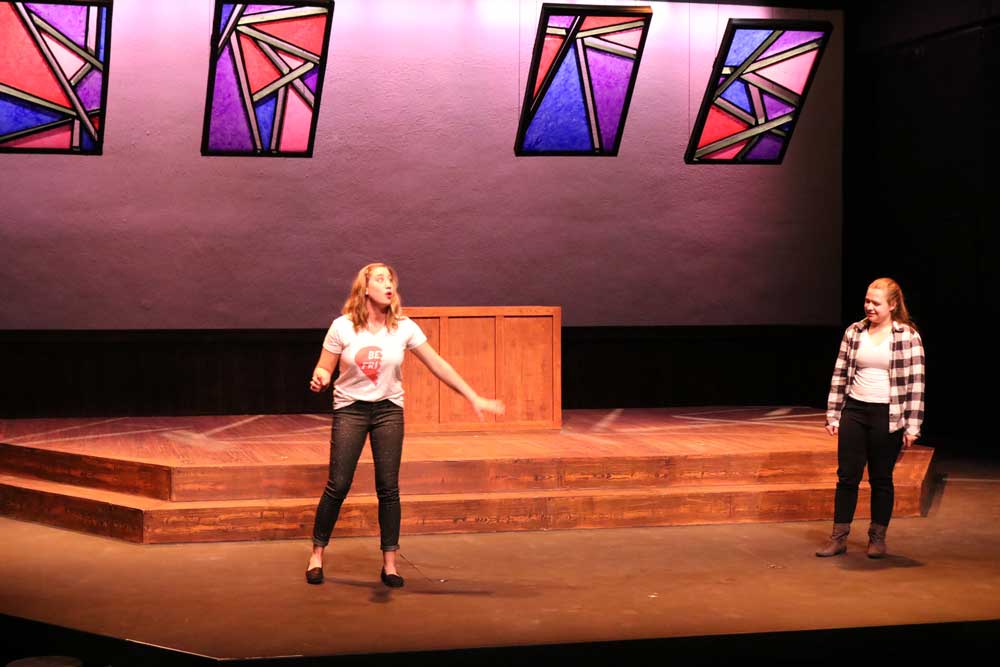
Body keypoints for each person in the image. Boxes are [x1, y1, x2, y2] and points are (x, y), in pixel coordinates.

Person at [306, 263, 505, 586]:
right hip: (351, 411)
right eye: (380, 280)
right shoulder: (342, 327)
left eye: (391, 281)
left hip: (388, 411)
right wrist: (321, 378)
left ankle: (390, 564)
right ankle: (316, 555)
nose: (388, 286)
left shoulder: (403, 328)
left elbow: (438, 364)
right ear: (365, 288)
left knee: (388, 487)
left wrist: (473, 396)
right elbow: (324, 369)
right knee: (338, 484)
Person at [817, 277, 925, 559]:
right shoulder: (854, 332)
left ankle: (877, 538)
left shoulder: (907, 336)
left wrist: (912, 425)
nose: (869, 307)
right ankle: (838, 537)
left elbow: (916, 383)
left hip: (887, 415)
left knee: (881, 478)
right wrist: (833, 413)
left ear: (892, 305)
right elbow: (840, 374)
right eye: (866, 301)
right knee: (847, 477)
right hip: (855, 410)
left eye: (875, 303)